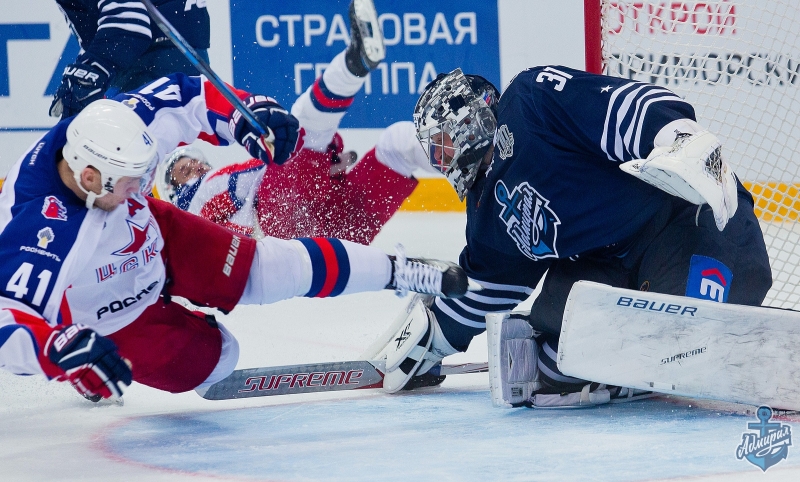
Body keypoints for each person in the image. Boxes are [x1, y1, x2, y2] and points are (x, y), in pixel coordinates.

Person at [0, 72, 467, 403]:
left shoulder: (117, 133)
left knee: (270, 269)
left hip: (155, 238)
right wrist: (58, 350)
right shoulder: (38, 229)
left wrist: (245, 115)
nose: (138, 190)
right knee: (218, 359)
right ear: (88, 177)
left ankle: (399, 271)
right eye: (129, 184)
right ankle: (95, 372)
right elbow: (7, 319)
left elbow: (188, 95)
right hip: (109, 314)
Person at [370, 66, 773, 405]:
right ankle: (637, 367)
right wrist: (434, 338)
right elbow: (489, 284)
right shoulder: (484, 209)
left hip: (688, 223)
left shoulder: (530, 102)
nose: (441, 160)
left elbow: (622, 107)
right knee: (551, 367)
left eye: (442, 143)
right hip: (610, 265)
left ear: (469, 119)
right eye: (434, 151)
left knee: (690, 333)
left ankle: (683, 348)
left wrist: (677, 136)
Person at [156, 0, 432, 242]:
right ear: (172, 191)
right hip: (281, 218)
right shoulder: (189, 203)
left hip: (328, 232)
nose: (195, 167)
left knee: (398, 146)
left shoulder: (213, 200)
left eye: (195, 161)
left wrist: (325, 170)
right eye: (184, 170)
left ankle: (456, 161)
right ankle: (353, 64)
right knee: (300, 132)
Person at [50, 0, 210, 118]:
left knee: (94, 144)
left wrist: (92, 70)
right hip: (176, 59)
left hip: (150, 66)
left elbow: (129, 26)